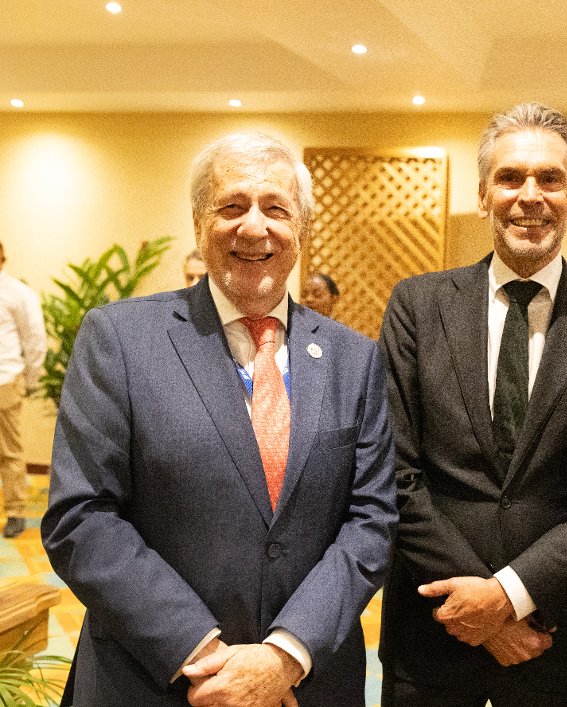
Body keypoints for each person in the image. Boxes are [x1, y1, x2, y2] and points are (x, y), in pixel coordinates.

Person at [42, 132, 397, 706]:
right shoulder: (119, 340)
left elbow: (372, 518)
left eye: (276, 208)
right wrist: (203, 654)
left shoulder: (355, 360)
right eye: (232, 206)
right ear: (198, 222)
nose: (254, 227)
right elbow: (81, 518)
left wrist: (285, 655)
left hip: (306, 682)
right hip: (154, 679)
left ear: (302, 226)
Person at [378, 102, 567, 706]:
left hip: (558, 640)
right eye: (510, 178)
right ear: (484, 195)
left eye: (550, 179)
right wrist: (481, 612)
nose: (530, 196)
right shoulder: (418, 307)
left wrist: (509, 595)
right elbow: (394, 472)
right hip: (432, 633)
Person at [0, 242, 46, 539]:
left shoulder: (17, 293)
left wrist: (29, 379)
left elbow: (34, 339)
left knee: (9, 451)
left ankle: (16, 512)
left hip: (5, 379)